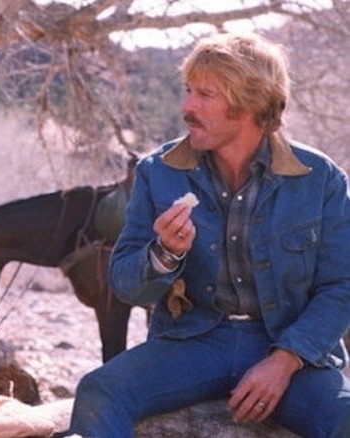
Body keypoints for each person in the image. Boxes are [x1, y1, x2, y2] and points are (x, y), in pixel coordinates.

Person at [59, 32, 350, 437]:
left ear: (250, 103)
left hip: (287, 345)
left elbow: (340, 286)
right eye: (188, 91)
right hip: (193, 341)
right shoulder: (157, 171)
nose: (187, 107)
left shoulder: (320, 179)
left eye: (205, 95)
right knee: (100, 391)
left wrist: (285, 360)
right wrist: (163, 254)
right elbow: (125, 283)